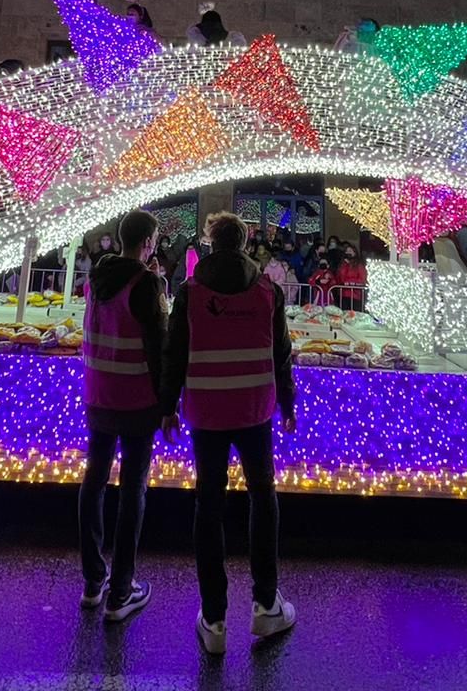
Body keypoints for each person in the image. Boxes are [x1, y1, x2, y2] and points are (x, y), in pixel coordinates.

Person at [162, 212, 297, 654]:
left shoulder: (192, 292)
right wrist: (288, 405)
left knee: (209, 506)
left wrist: (167, 408)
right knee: (263, 496)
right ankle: (265, 604)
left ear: (210, 243)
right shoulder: (267, 291)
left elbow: (174, 351)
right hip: (256, 408)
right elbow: (282, 352)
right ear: (244, 243)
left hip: (207, 409)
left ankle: (215, 618)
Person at [78, 209, 168, 622]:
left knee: (94, 483)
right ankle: (121, 591)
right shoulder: (145, 284)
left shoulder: (98, 279)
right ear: (148, 242)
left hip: (98, 395)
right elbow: (158, 348)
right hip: (135, 401)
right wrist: (169, 404)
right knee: (132, 490)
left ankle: (94, 581)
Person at [336, 243, 368, 309]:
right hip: (343, 294)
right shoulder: (342, 264)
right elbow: (340, 278)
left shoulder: (359, 265)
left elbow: (362, 280)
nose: (348, 253)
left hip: (355, 295)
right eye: (347, 251)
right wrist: (346, 265)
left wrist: (349, 282)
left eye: (350, 251)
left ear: (354, 253)